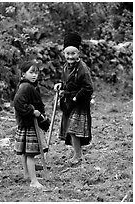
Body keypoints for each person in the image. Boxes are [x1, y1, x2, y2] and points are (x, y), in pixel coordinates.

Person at [54, 32, 93, 165]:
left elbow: (88, 88)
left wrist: (76, 98)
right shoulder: (65, 67)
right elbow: (66, 82)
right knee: (70, 129)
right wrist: (61, 85)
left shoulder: (83, 68)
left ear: (78, 53)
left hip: (79, 102)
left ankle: (78, 156)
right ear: (63, 54)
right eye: (67, 54)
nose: (70, 57)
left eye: (73, 54)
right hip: (68, 102)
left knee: (73, 128)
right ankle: (78, 154)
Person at [13, 61, 50, 190]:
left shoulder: (31, 86)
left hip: (25, 123)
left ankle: (27, 174)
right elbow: (18, 103)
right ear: (23, 74)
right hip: (29, 124)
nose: (34, 75)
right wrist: (31, 111)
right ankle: (33, 181)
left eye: (36, 72)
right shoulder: (26, 87)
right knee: (30, 154)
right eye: (31, 72)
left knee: (25, 152)